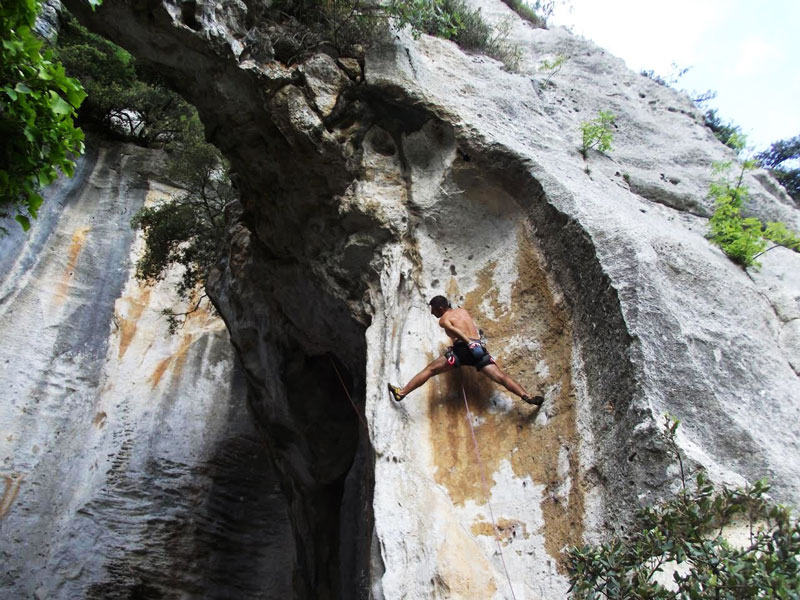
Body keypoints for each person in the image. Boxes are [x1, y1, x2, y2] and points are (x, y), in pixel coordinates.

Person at [387, 295, 544, 406]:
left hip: (464, 349)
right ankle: (527, 396)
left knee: (430, 370)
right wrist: (473, 344)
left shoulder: (444, 319)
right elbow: (469, 329)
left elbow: (456, 331)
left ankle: (401, 393)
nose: (432, 312)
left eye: (433, 309)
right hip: (479, 349)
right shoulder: (463, 311)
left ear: (441, 308)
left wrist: (467, 343)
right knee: (501, 377)